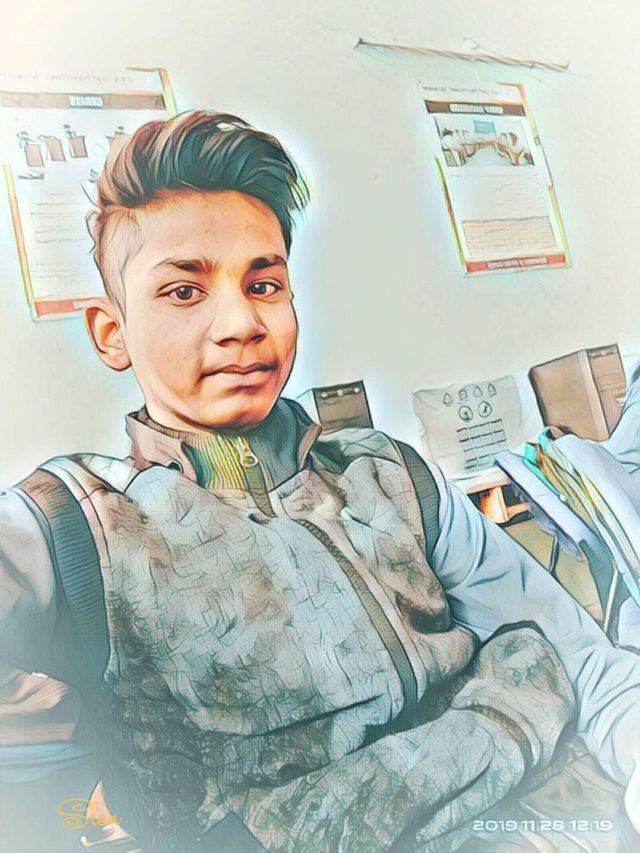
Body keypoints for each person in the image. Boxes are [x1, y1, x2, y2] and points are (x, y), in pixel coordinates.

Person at [2, 110, 640, 853]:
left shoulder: (392, 476)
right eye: (184, 291)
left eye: (264, 283)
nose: (242, 322)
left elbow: (580, 658)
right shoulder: (75, 527)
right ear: (112, 332)